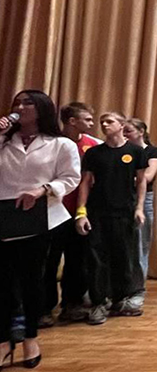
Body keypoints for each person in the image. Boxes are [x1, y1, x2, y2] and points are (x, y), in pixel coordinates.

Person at [0, 90, 80, 370]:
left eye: (28, 103)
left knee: (32, 281)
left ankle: (30, 338)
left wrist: (43, 190)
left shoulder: (60, 144)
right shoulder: (4, 141)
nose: (20, 107)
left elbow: (70, 178)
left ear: (42, 109)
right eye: (17, 103)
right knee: (3, 283)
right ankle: (3, 341)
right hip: (4, 215)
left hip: (40, 217)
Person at [75, 112, 147, 324]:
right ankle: (98, 302)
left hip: (124, 212)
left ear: (122, 125)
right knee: (97, 258)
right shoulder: (94, 153)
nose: (104, 125)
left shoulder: (135, 152)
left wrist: (139, 208)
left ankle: (120, 299)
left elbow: (141, 181)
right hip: (98, 212)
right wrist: (81, 212)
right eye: (102, 122)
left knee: (123, 256)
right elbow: (85, 182)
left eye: (109, 121)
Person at [40, 102, 100, 326]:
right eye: (87, 119)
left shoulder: (93, 145)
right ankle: (43, 308)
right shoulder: (51, 143)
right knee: (49, 261)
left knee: (77, 261)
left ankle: (72, 304)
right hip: (52, 211)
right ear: (72, 121)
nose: (92, 123)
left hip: (79, 213)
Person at [124, 118, 157, 293]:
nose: (125, 134)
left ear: (141, 132)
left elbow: (148, 176)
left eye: (128, 131)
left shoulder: (152, 151)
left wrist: (122, 177)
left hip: (144, 198)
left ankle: (138, 286)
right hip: (122, 197)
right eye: (123, 131)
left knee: (141, 242)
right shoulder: (122, 150)